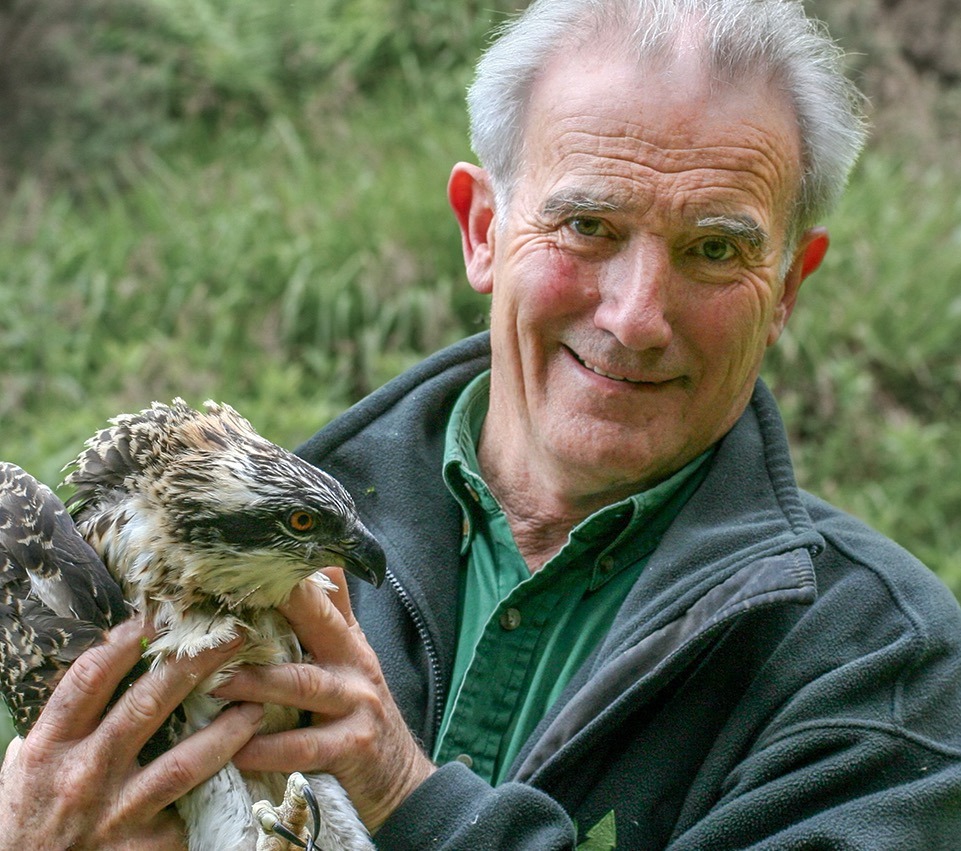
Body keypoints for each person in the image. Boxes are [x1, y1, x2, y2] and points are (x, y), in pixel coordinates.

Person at [2, 0, 961, 847]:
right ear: (480, 230)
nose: (634, 315)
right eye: (587, 227)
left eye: (714, 250)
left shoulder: (882, 663)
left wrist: (409, 799)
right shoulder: (262, 533)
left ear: (787, 286)